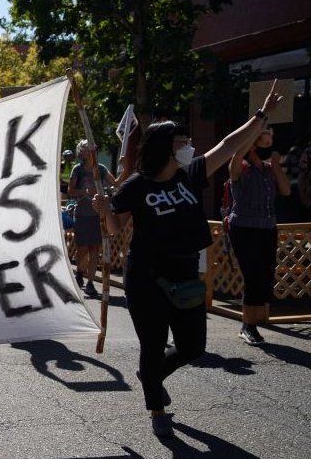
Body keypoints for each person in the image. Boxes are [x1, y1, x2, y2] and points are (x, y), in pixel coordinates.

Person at [94, 80, 284, 437]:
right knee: (153, 344)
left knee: (192, 346)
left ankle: (151, 376)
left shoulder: (191, 174)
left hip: (186, 274)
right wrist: (105, 209)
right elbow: (114, 227)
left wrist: (261, 116)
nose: (188, 146)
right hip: (147, 277)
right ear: (165, 148)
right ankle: (156, 407)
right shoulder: (137, 185)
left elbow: (228, 145)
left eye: (186, 142)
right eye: (181, 143)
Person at [227, 128, 291, 344]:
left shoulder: (269, 170)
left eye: (270, 144)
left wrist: (276, 164)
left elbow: (286, 190)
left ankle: (253, 322)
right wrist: (248, 141)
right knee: (253, 276)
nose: (268, 148)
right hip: (244, 228)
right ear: (252, 146)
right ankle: (248, 326)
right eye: (263, 144)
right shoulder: (242, 168)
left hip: (267, 227)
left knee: (264, 276)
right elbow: (235, 160)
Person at [67, 139, 116, 297]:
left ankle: (90, 283)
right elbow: (70, 191)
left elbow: (115, 182)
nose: (93, 151)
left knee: (95, 248)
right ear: (83, 152)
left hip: (97, 215)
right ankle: (80, 273)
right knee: (82, 250)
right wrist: (84, 191)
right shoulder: (78, 170)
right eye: (89, 149)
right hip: (82, 214)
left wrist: (124, 168)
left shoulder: (101, 169)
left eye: (94, 148)